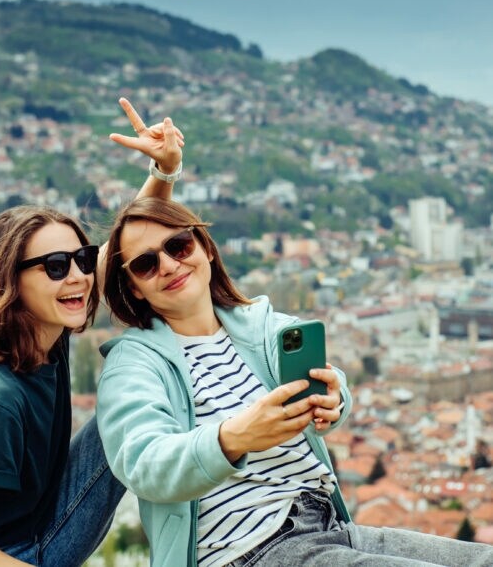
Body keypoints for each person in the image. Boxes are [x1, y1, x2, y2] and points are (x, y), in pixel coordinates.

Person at [96, 197, 493, 567]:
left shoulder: (259, 324)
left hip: (330, 527)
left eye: (178, 246)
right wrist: (233, 438)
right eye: (146, 264)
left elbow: (326, 380)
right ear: (133, 286)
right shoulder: (133, 363)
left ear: (206, 248)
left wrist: (335, 396)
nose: (167, 265)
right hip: (248, 548)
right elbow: (142, 462)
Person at [0, 97, 184, 567]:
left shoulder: (40, 327)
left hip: (26, 525)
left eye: (80, 260)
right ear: (11, 283)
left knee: (136, 402)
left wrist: (164, 171)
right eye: (54, 266)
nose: (77, 276)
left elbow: (118, 250)